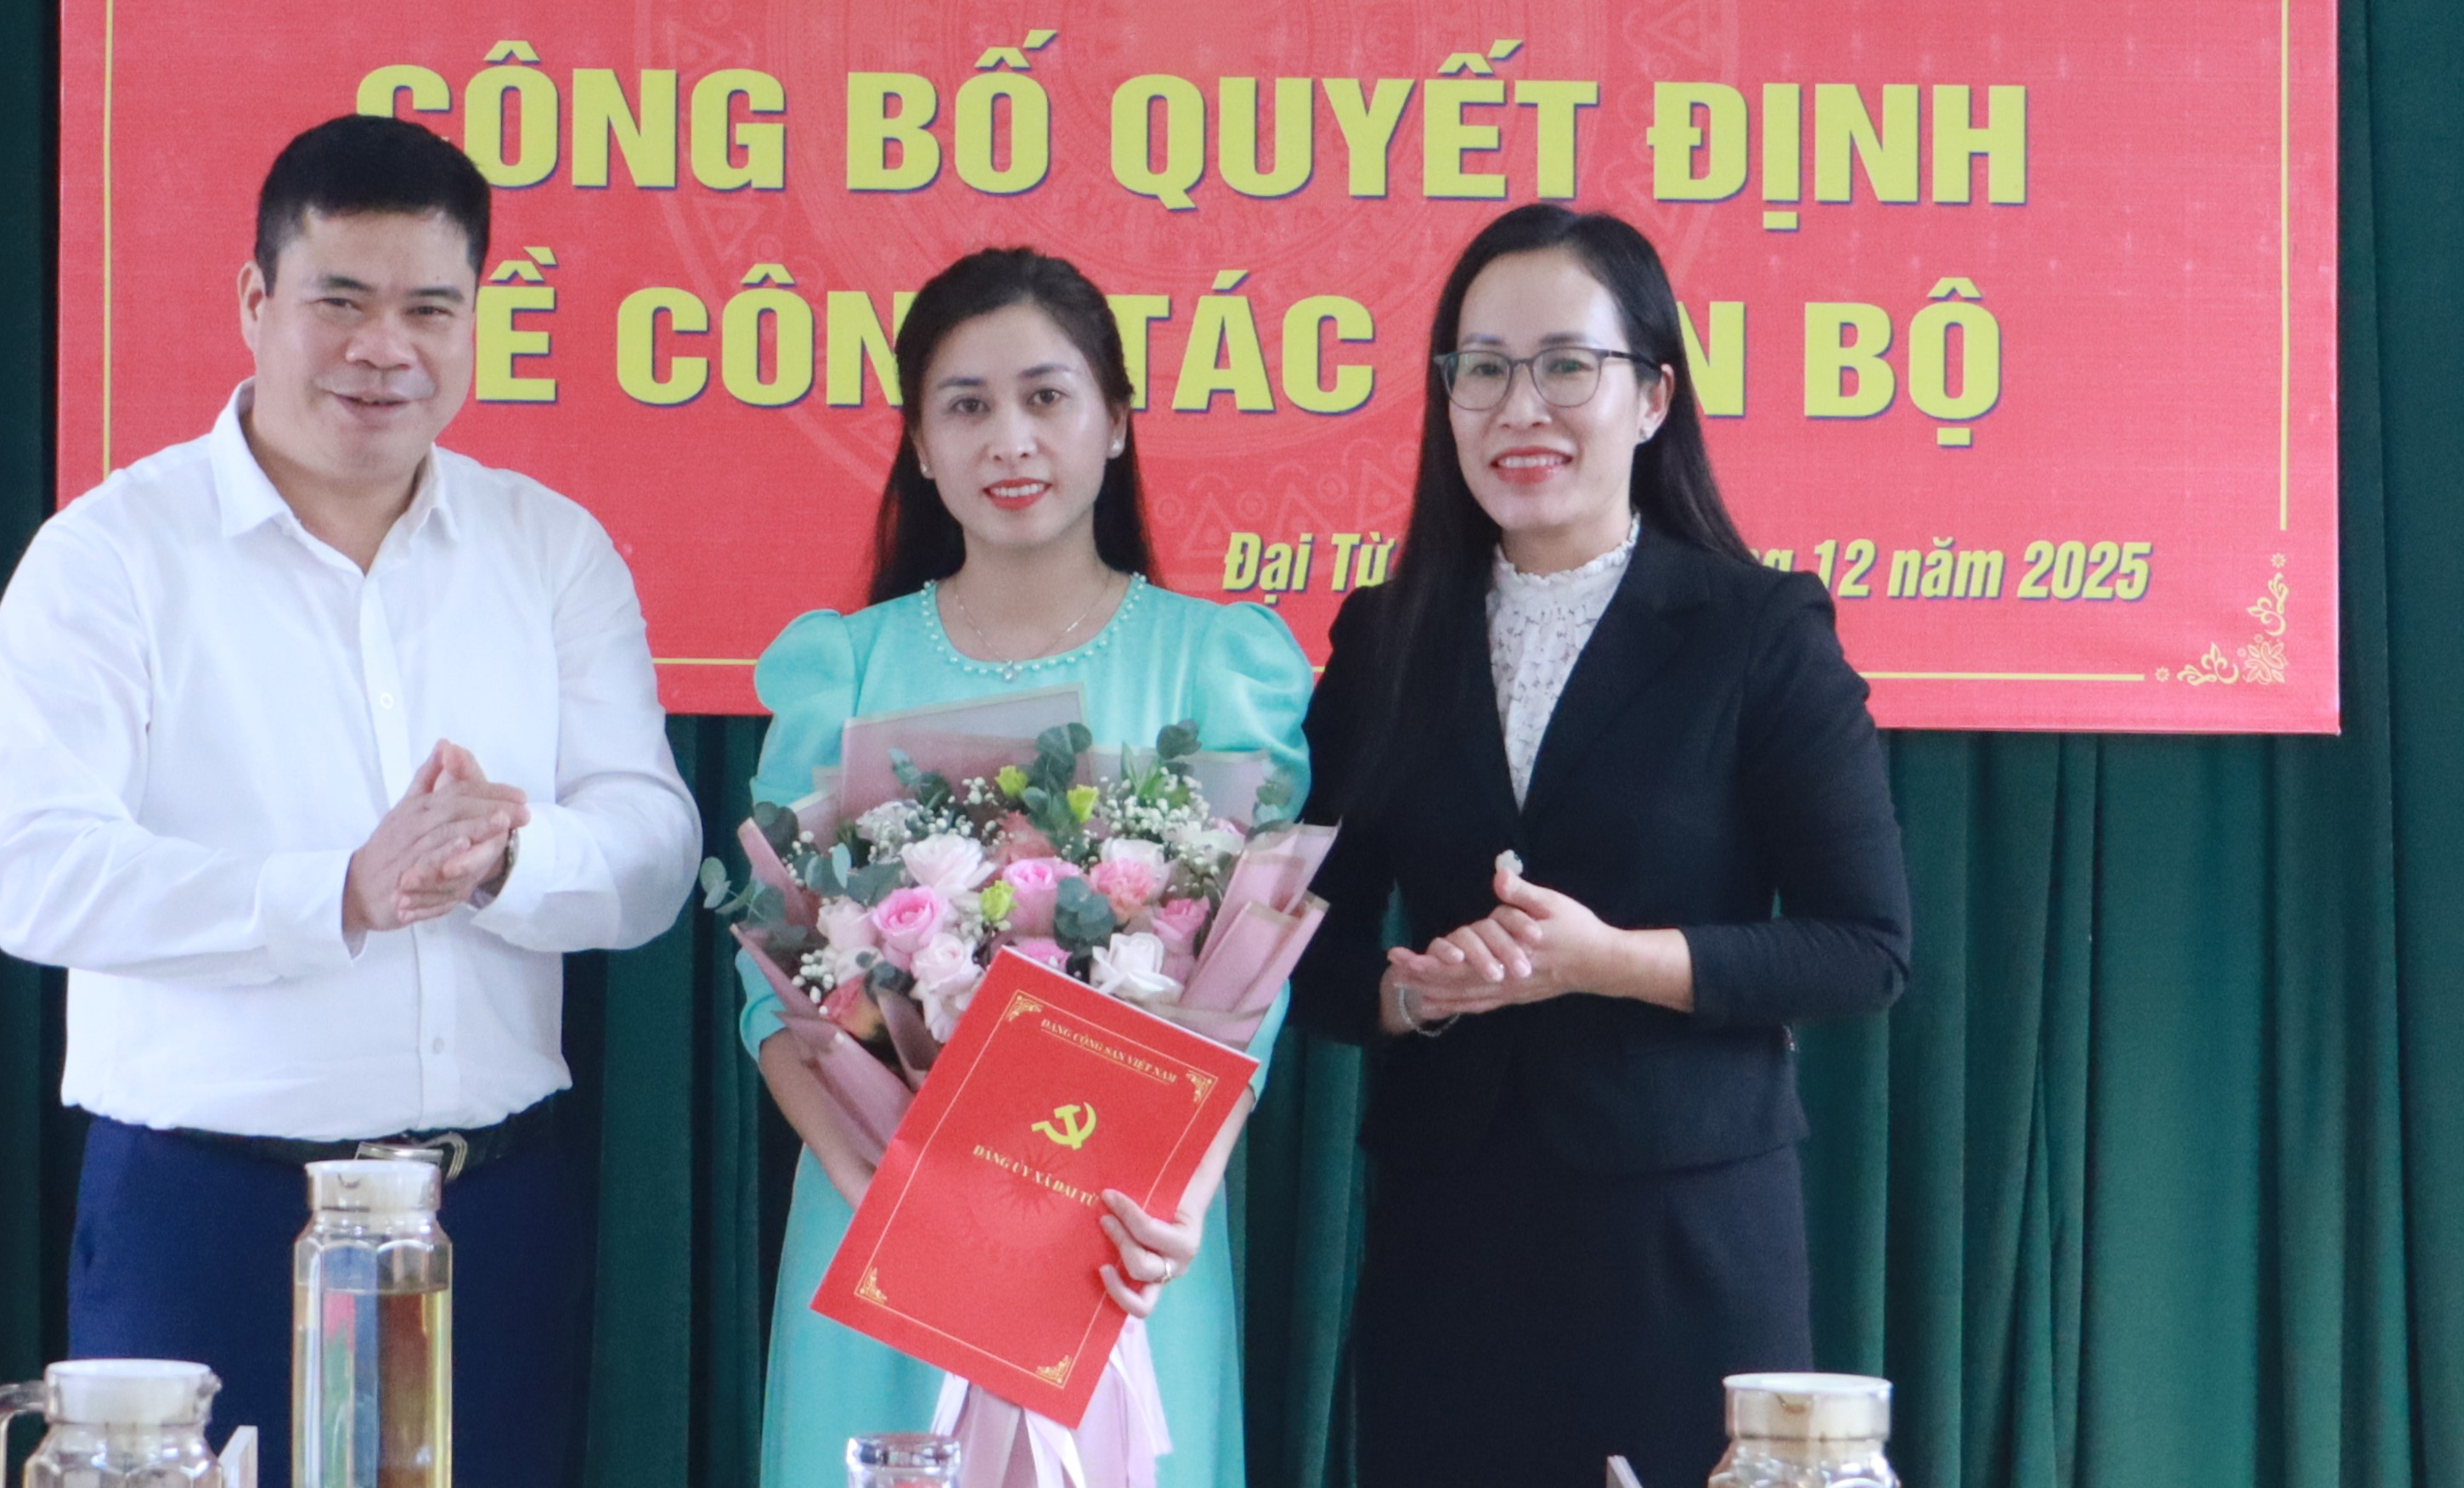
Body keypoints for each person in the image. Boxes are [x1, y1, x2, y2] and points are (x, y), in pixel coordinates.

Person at [0, 114, 702, 1488]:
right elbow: (34, 873)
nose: (385, 348)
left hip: (489, 1213)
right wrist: (338, 893)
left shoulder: (550, 549)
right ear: (255, 301)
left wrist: (509, 859)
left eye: (430, 308)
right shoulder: (109, 555)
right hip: (204, 1208)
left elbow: (656, 850)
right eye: (341, 301)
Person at [1289, 204, 1911, 1488]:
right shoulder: (1386, 636)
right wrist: (1415, 993)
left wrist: (1605, 960)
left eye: (1567, 365)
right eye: (1483, 368)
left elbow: (1863, 948)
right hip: (1449, 1243)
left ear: (1652, 397)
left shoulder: (1756, 630)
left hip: (1685, 1237)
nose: (1522, 408)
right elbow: (1302, 943)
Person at [741, 247, 1312, 1488]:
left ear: (1118, 421)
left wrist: (1183, 1197)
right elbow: (773, 992)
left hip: (1130, 1242)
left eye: (1048, 396)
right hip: (882, 1222)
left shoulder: (1215, 662)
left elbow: (1249, 993)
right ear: (919, 442)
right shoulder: (844, 668)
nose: (1011, 439)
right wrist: (864, 1173)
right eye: (967, 405)